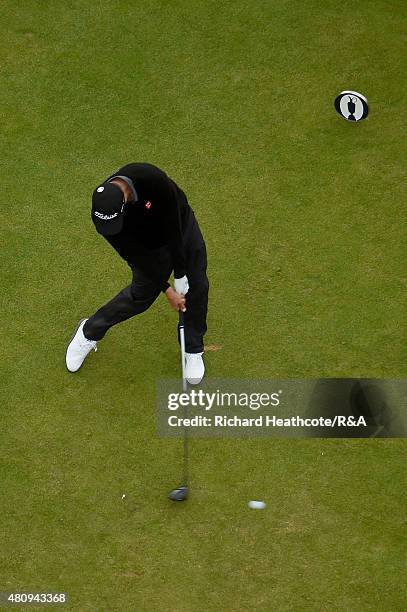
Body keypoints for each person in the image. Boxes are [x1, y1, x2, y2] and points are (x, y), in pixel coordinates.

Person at [65, 162, 208, 384]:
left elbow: (173, 226)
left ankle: (193, 350)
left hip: (180, 227)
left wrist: (180, 272)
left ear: (124, 202)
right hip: (148, 250)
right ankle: (88, 332)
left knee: (197, 284)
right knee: (140, 297)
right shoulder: (103, 216)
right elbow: (134, 255)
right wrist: (166, 288)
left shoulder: (151, 178)